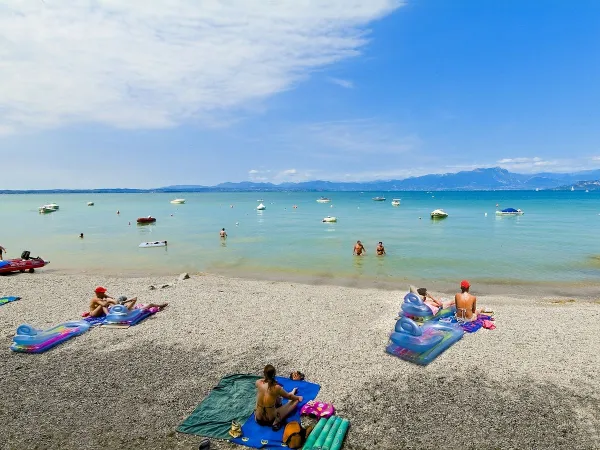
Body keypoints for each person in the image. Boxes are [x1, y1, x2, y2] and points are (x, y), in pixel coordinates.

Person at [255, 364, 303, 431]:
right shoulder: (276, 388)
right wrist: (298, 397)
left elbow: (264, 382)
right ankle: (276, 422)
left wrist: (268, 379)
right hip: (271, 420)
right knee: (295, 401)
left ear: (264, 373)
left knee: (266, 397)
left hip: (258, 419)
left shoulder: (258, 382)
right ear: (274, 374)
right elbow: (289, 396)